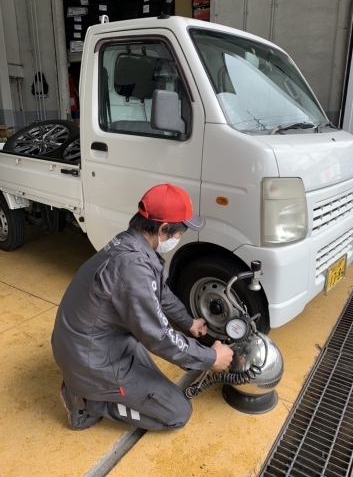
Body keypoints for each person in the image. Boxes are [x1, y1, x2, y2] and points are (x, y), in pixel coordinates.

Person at [52, 183, 233, 431]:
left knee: (153, 373)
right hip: (91, 360)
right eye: (179, 234)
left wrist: (189, 322)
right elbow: (158, 336)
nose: (179, 239)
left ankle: (88, 385)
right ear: (164, 228)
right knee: (177, 413)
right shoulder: (132, 267)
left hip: (94, 343)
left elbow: (159, 292)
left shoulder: (131, 243)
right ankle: (86, 401)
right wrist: (211, 358)